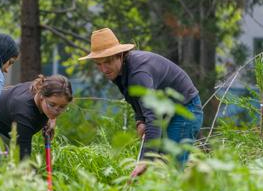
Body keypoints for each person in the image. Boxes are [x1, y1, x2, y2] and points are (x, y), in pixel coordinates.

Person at [78, 27, 203, 178]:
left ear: (120, 55)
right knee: (158, 169)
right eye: (98, 64)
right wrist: (140, 121)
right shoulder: (118, 71)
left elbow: (154, 118)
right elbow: (135, 98)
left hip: (185, 110)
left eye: (108, 61)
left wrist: (145, 160)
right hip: (165, 111)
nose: (104, 69)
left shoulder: (138, 73)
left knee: (171, 168)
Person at [0, 74, 73, 160]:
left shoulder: (40, 88)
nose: (56, 111)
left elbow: (54, 105)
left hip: (8, 132)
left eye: (62, 107)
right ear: (42, 96)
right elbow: (23, 158)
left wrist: (51, 119)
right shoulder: (24, 113)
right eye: (52, 104)